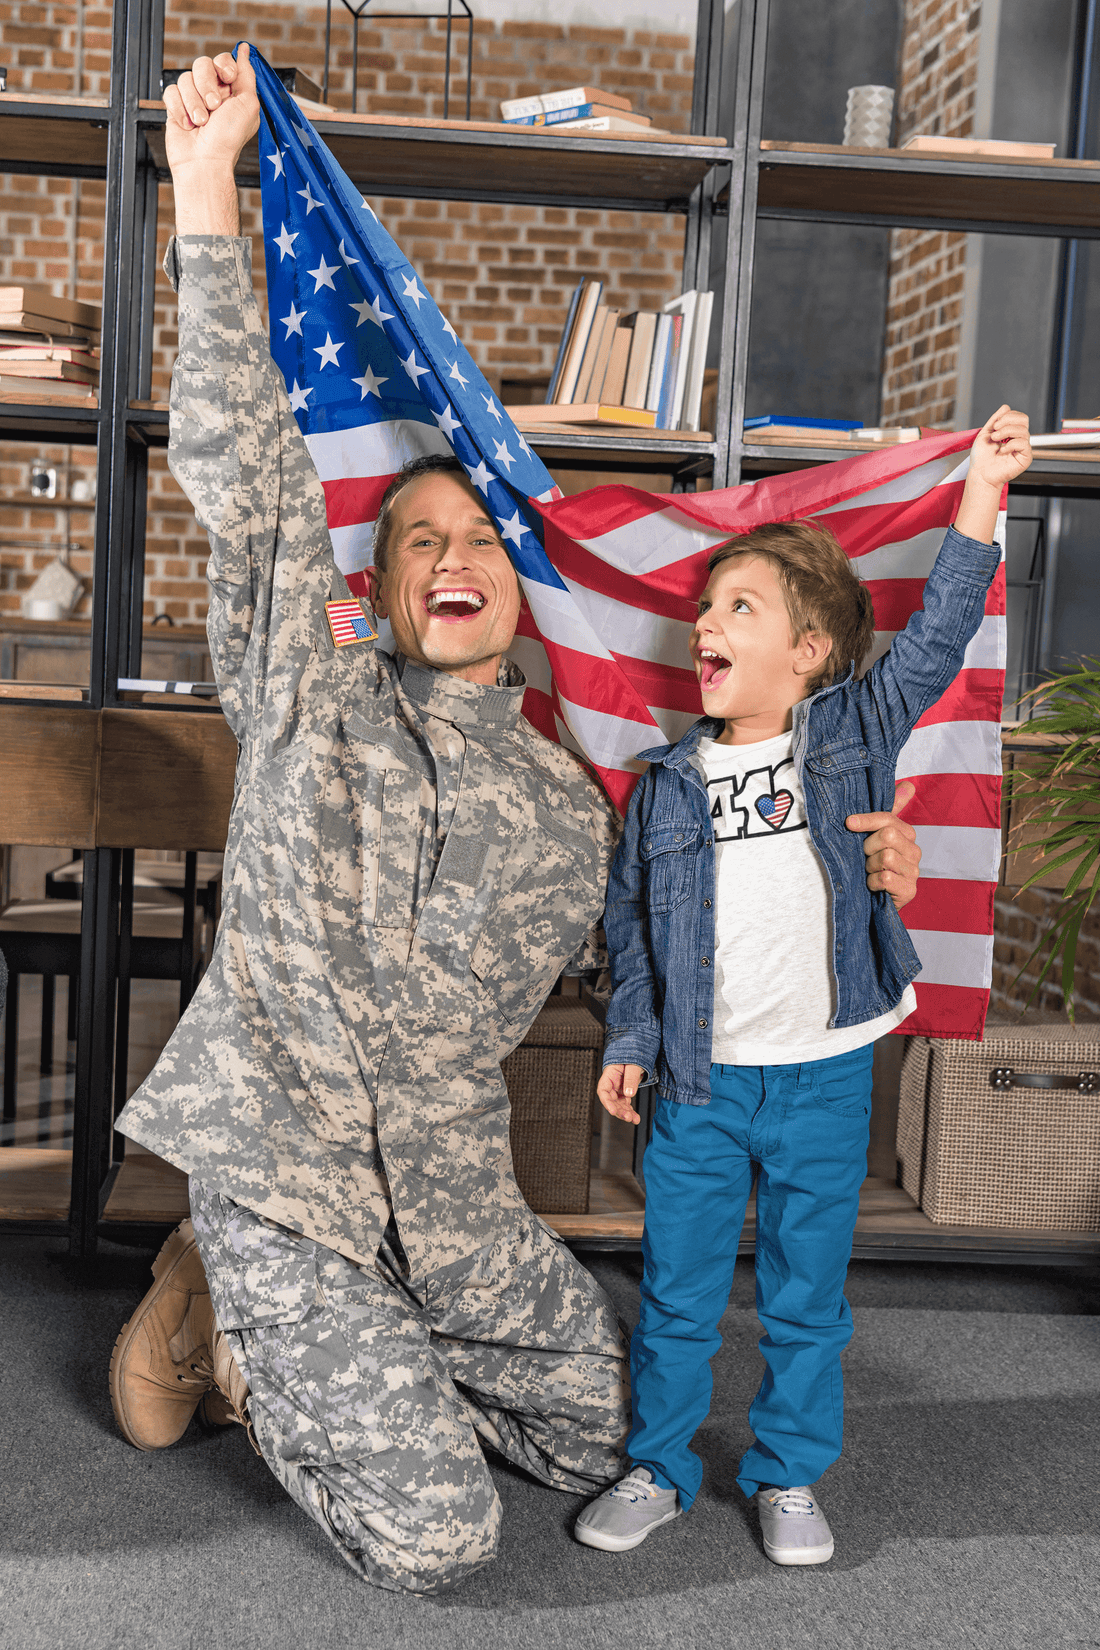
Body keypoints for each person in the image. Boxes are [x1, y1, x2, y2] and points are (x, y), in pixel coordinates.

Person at [107, 44, 925, 1596]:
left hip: (457, 1203)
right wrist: (206, 190)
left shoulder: (586, 807)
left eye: (484, 532)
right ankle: (235, 1305)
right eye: (420, 539)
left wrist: (854, 869)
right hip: (283, 1173)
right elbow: (244, 466)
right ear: (388, 587)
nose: (454, 554)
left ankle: (332, 1347)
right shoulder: (307, 688)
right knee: (437, 1531)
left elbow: (702, 935)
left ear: (527, 601)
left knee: (627, 1435)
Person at [575, 407, 1032, 1566]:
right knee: (675, 1293)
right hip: (696, 1078)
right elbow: (631, 928)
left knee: (802, 1297)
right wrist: (631, 1034)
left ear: (810, 653)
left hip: (824, 1068)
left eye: (741, 608)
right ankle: (659, 1464)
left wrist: (978, 492)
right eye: (702, 609)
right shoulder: (664, 784)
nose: (705, 626)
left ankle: (786, 1473)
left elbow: (931, 639)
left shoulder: (846, 737)